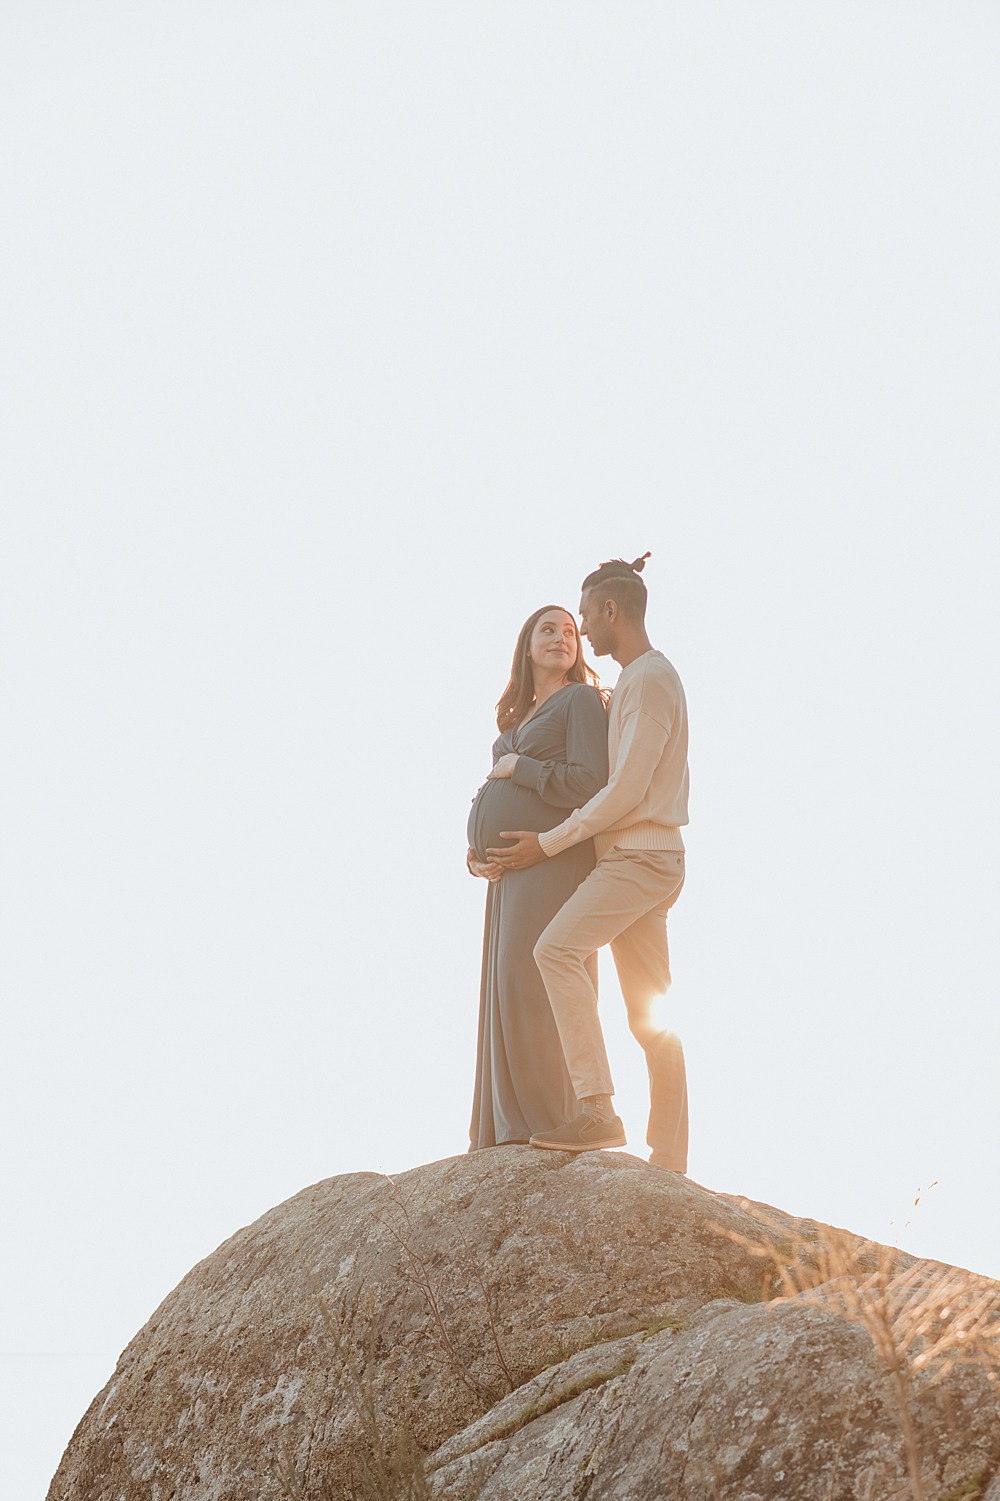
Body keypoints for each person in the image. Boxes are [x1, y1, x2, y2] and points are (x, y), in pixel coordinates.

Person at [487, 553, 691, 1172]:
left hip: (637, 860)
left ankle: (598, 1110)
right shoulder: (637, 679)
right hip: (644, 860)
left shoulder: (649, 679)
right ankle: (670, 1157)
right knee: (649, 1015)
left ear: (609, 611)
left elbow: (625, 790)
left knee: (555, 951)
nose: (582, 631)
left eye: (583, 618)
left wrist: (547, 844)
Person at [467, 605, 609, 1149]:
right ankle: (509, 1129)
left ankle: (552, 1121)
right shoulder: (515, 719)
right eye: (548, 630)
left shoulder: (580, 701)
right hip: (507, 874)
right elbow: (494, 797)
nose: (562, 638)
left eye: (571, 631)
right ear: (526, 645)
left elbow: (591, 780)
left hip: (553, 862)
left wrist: (520, 769)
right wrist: (475, 853)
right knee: (503, 988)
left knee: (536, 984)